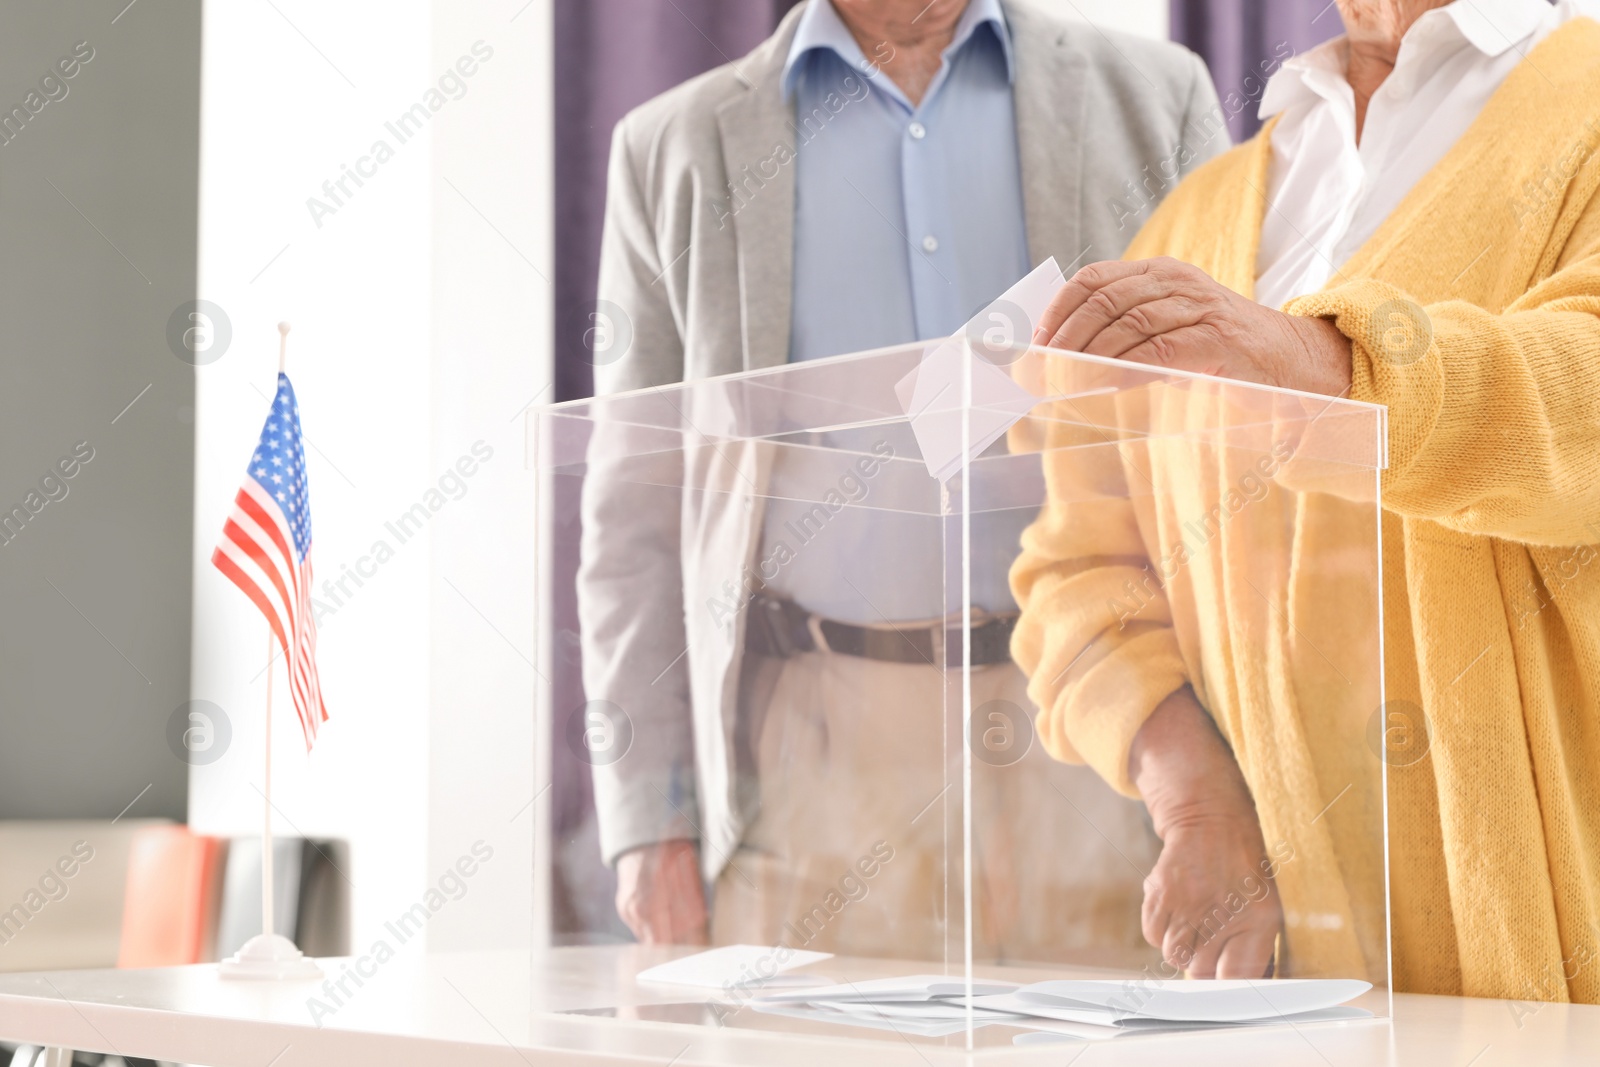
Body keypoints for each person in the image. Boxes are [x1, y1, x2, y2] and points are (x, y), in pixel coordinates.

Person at [580, 0, 1229, 959]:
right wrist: (651, 817)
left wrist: (1224, 785)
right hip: (808, 743)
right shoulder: (672, 147)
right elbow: (631, 515)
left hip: (1097, 720)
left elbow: (1234, 427)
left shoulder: (1158, 99)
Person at [1013, 0, 1600, 1000]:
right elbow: (1079, 569)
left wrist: (1314, 363)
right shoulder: (1194, 213)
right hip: (1294, 983)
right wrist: (1196, 801)